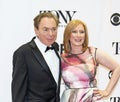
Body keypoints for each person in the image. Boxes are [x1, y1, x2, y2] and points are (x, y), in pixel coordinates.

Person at [60, 19, 120, 102]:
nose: (78, 35)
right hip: (69, 99)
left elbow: (117, 67)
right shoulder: (61, 58)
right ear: (68, 35)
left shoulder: (93, 52)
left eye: (81, 32)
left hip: (92, 99)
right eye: (74, 32)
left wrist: (107, 91)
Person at [11, 12, 61, 102]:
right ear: (36, 30)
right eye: (45, 29)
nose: (51, 34)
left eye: (54, 29)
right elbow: (18, 91)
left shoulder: (56, 48)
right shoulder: (23, 53)